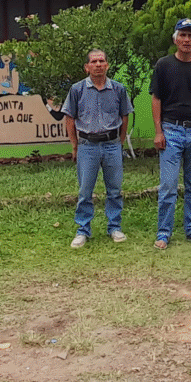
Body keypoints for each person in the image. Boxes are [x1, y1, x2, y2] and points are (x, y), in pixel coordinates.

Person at [150, 18, 191, 249]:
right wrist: (158, 131)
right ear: (175, 39)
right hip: (171, 131)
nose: (186, 40)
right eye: (183, 35)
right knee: (168, 185)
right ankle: (163, 233)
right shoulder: (164, 65)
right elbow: (156, 99)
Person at [63, 49, 134, 247]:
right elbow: (70, 118)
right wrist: (74, 146)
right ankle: (83, 230)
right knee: (85, 191)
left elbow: (125, 115)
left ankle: (114, 227)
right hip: (87, 146)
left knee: (115, 190)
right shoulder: (77, 90)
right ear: (87, 67)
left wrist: (119, 142)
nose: (98, 64)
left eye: (101, 61)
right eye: (93, 61)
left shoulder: (118, 89)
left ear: (107, 65)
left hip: (112, 145)